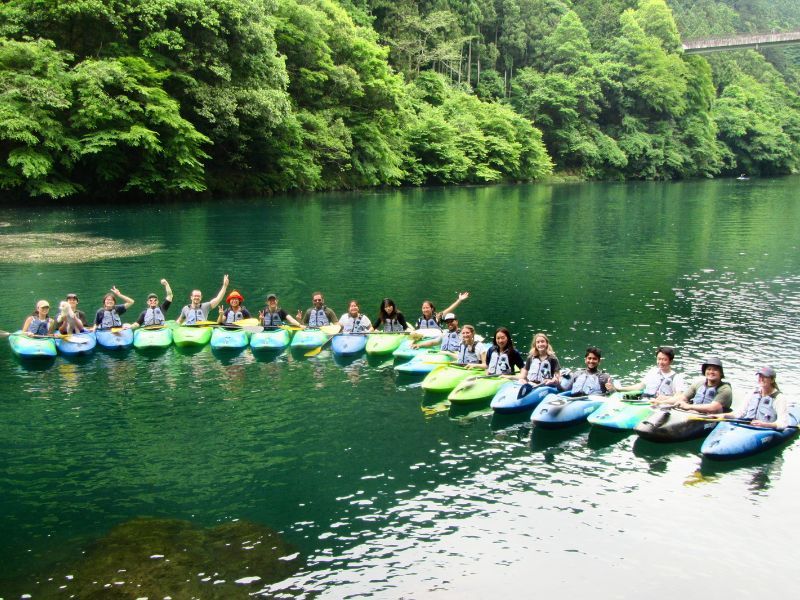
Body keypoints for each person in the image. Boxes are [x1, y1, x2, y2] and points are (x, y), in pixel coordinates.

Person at [656, 356, 732, 414]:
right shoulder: (698, 384)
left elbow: (713, 407)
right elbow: (682, 398)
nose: (711, 372)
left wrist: (688, 406)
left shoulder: (725, 389)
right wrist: (662, 402)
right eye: (709, 369)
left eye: (715, 370)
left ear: (721, 373)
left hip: (711, 416)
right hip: (694, 413)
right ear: (705, 371)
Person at [606, 346, 682, 399]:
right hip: (646, 399)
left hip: (661, 403)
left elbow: (679, 396)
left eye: (664, 359)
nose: (660, 362)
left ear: (671, 361)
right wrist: (619, 389)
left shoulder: (676, 377)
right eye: (659, 359)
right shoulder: (653, 371)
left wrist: (665, 398)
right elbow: (641, 386)